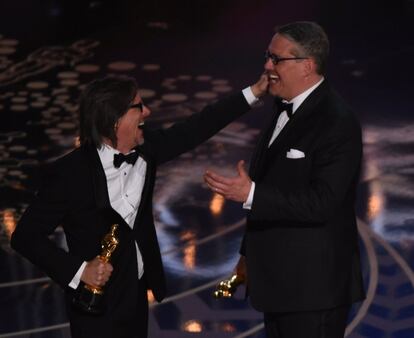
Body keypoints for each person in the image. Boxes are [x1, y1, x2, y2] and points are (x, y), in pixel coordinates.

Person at [11, 74, 268, 338]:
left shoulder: (148, 150)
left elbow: (198, 126)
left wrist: (255, 92)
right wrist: (80, 271)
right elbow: (25, 237)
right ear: (115, 118)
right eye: (138, 106)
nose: (148, 111)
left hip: (136, 296)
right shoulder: (69, 173)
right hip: (94, 306)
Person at [204, 21, 365, 338]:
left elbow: (322, 203)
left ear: (307, 65)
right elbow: (275, 183)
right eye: (268, 56)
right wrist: (248, 255)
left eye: (276, 59)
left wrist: (251, 194)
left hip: (313, 292)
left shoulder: (337, 122)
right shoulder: (281, 108)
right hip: (278, 286)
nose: (267, 65)